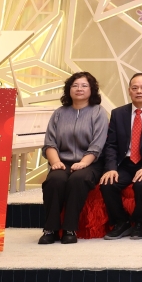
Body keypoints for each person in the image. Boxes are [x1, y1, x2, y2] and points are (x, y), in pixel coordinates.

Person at [38, 72, 109, 244]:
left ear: (92, 90)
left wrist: (83, 162)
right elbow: (50, 142)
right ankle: (50, 229)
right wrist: (55, 162)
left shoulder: (98, 112)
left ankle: (70, 228)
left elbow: (98, 144)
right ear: (69, 89)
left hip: (91, 163)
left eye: (84, 85)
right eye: (75, 85)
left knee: (78, 179)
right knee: (54, 180)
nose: (79, 89)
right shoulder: (59, 113)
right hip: (62, 162)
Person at [100, 73, 142, 241]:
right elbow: (111, 145)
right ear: (129, 90)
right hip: (125, 163)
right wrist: (111, 168)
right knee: (108, 184)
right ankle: (121, 222)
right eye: (135, 88)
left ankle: (140, 224)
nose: (139, 91)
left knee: (141, 184)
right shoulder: (118, 113)